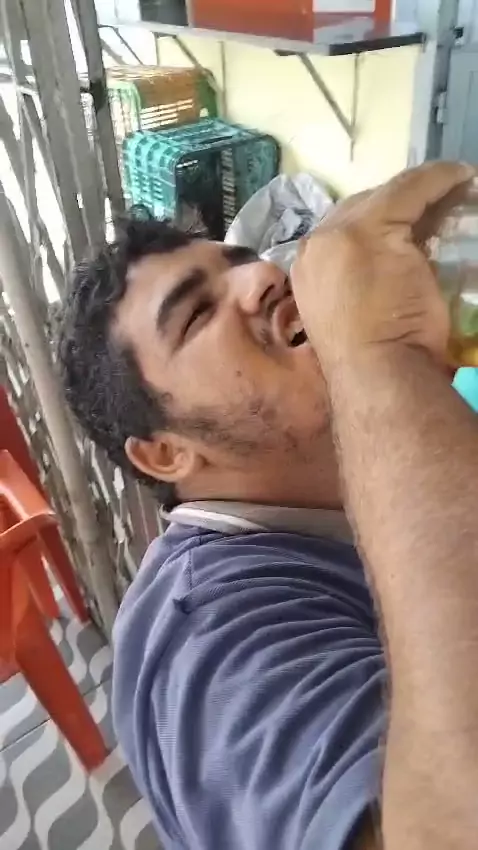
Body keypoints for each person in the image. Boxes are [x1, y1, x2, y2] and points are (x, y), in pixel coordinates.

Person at [57, 161, 478, 850]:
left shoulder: (354, 475)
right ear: (165, 454)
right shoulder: (210, 643)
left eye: (244, 260)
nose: (262, 278)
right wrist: (375, 359)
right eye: (197, 314)